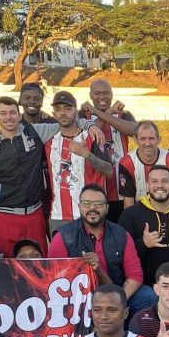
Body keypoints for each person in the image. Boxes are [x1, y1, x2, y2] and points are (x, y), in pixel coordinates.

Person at [0, 97, 99, 257]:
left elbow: (66, 121)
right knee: (6, 267)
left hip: (34, 214)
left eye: (12, 112)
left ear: (19, 115)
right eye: (3, 113)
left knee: (39, 265)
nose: (8, 117)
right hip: (3, 215)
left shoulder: (34, 131)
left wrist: (90, 125)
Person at [48, 183, 154, 315]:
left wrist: (118, 300)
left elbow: (135, 276)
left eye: (99, 203)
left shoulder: (121, 234)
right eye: (87, 203)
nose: (92, 207)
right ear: (79, 207)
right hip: (77, 297)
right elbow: (54, 278)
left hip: (116, 290)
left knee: (148, 296)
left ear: (107, 208)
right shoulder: (63, 237)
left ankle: (127, 332)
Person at [43, 90, 114, 233]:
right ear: (54, 114)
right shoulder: (49, 142)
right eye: (58, 109)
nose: (63, 113)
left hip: (88, 214)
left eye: (68, 108)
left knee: (90, 255)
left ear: (76, 112)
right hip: (58, 216)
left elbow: (109, 171)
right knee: (61, 256)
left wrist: (87, 154)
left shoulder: (92, 137)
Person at [118, 165, 169, 285]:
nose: (160, 186)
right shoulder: (130, 214)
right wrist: (143, 244)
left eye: (165, 181)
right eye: (154, 181)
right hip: (142, 285)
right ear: (147, 186)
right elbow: (118, 251)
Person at [115, 121, 169, 215]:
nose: (147, 143)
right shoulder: (127, 162)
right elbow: (128, 202)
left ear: (159, 139)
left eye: (151, 138)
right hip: (139, 213)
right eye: (143, 139)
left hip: (166, 212)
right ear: (135, 139)